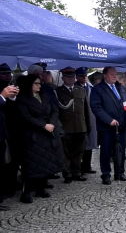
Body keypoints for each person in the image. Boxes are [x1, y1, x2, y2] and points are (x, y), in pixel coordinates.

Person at [16, 74, 65, 203]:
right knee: (31, 164)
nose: (39, 85)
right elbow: (25, 117)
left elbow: (55, 110)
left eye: (39, 83)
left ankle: (41, 187)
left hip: (48, 132)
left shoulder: (45, 95)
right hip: (33, 135)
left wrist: (52, 123)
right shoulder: (22, 99)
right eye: (36, 83)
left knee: (46, 162)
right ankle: (26, 191)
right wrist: (43, 125)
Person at [90, 67, 126, 185]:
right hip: (107, 127)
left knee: (120, 150)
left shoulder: (120, 87)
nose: (114, 76)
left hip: (122, 124)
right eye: (112, 74)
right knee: (106, 151)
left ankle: (120, 172)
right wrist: (108, 120)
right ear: (105, 76)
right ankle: (106, 174)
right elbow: (96, 107)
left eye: (115, 74)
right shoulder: (98, 89)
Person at [55, 67, 91, 183]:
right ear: (63, 78)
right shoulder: (58, 91)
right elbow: (56, 111)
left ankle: (76, 172)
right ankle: (67, 173)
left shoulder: (81, 90)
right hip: (65, 127)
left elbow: (86, 110)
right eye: (68, 77)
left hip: (80, 126)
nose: (71, 79)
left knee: (79, 151)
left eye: (72, 77)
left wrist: (88, 125)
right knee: (66, 152)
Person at [0, 63, 18, 209]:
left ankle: (9, 187)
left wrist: (11, 98)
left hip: (7, 131)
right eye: (4, 73)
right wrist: (2, 96)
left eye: (9, 73)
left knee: (8, 162)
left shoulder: (10, 87)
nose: (8, 75)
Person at [75, 67, 97, 174]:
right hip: (80, 119)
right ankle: (79, 167)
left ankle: (87, 165)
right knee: (81, 145)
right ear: (77, 77)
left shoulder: (90, 87)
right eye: (81, 76)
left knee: (90, 144)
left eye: (85, 76)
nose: (84, 78)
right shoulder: (75, 88)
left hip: (91, 118)